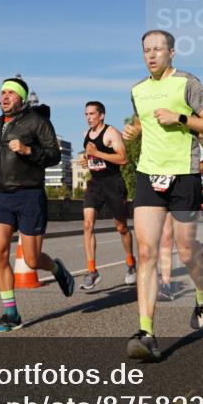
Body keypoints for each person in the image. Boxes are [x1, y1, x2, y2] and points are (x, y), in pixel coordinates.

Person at [123, 30, 203, 361]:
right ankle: (146, 331)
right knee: (147, 252)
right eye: (146, 50)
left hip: (184, 174)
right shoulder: (137, 90)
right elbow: (142, 120)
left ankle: (201, 292)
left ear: (172, 53)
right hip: (148, 173)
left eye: (158, 49)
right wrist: (134, 129)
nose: (151, 55)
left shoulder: (187, 83)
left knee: (185, 250)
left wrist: (181, 117)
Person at [0, 77, 76, 333]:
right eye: (2, 93)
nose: (4, 97)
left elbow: (53, 154)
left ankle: (56, 268)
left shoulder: (37, 121)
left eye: (10, 92)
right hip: (1, 196)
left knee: (31, 260)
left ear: (21, 97)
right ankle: (11, 314)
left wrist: (28, 150)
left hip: (29, 195)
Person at [78, 101, 136, 290]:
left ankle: (130, 263)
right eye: (86, 114)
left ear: (101, 115)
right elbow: (90, 156)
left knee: (121, 228)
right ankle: (92, 271)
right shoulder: (85, 134)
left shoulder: (112, 133)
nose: (88, 118)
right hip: (95, 184)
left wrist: (98, 153)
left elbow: (123, 159)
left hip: (113, 184)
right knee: (87, 225)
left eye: (92, 114)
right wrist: (85, 159)